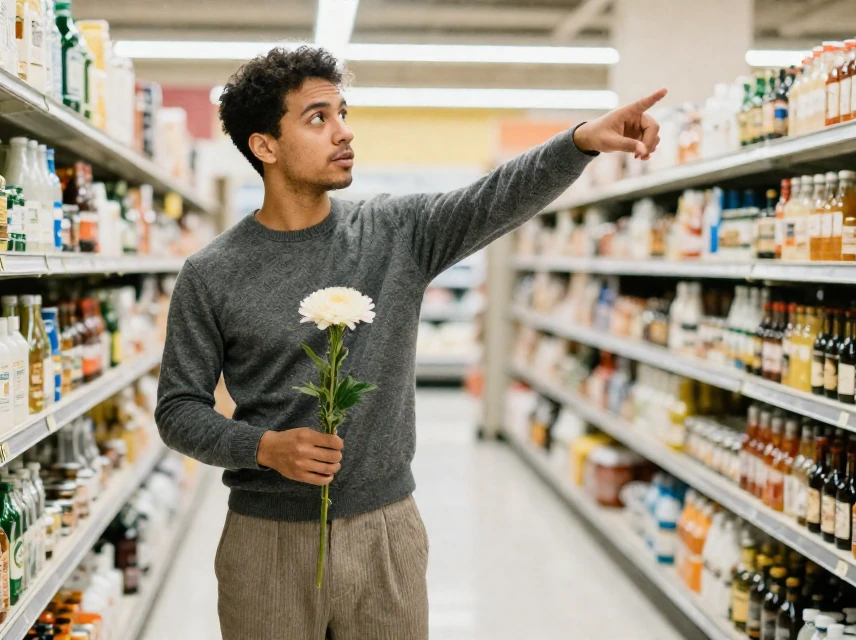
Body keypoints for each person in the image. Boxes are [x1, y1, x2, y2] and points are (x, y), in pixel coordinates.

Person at [155, 45, 664, 639]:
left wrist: (578, 142)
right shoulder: (212, 272)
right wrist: (262, 447)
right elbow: (177, 409)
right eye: (318, 118)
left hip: (387, 534)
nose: (344, 132)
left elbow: (493, 198)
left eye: (343, 113)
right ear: (264, 146)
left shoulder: (395, 233)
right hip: (266, 539)